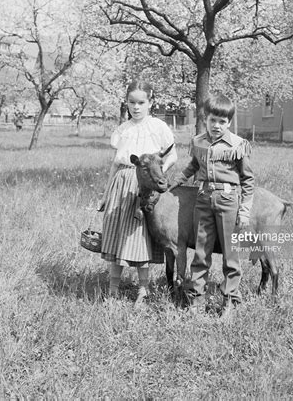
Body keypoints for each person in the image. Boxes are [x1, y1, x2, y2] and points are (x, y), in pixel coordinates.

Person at [170, 93, 254, 315]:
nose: (217, 126)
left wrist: (244, 211)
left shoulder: (238, 145)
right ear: (205, 118)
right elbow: (194, 165)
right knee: (201, 251)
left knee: (230, 253)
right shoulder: (198, 141)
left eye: (222, 122)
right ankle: (196, 299)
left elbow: (248, 180)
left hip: (228, 201)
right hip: (203, 199)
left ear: (229, 122)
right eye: (212, 120)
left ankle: (230, 301)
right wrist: (180, 179)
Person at [97, 81, 177, 304]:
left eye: (141, 102)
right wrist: (105, 194)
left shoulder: (158, 127)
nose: (136, 107)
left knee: (141, 237)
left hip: (145, 185)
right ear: (127, 103)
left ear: (150, 102)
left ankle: (143, 289)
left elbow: (172, 157)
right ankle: (112, 289)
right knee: (116, 234)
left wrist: (155, 175)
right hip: (122, 183)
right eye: (132, 102)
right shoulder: (123, 130)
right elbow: (115, 164)